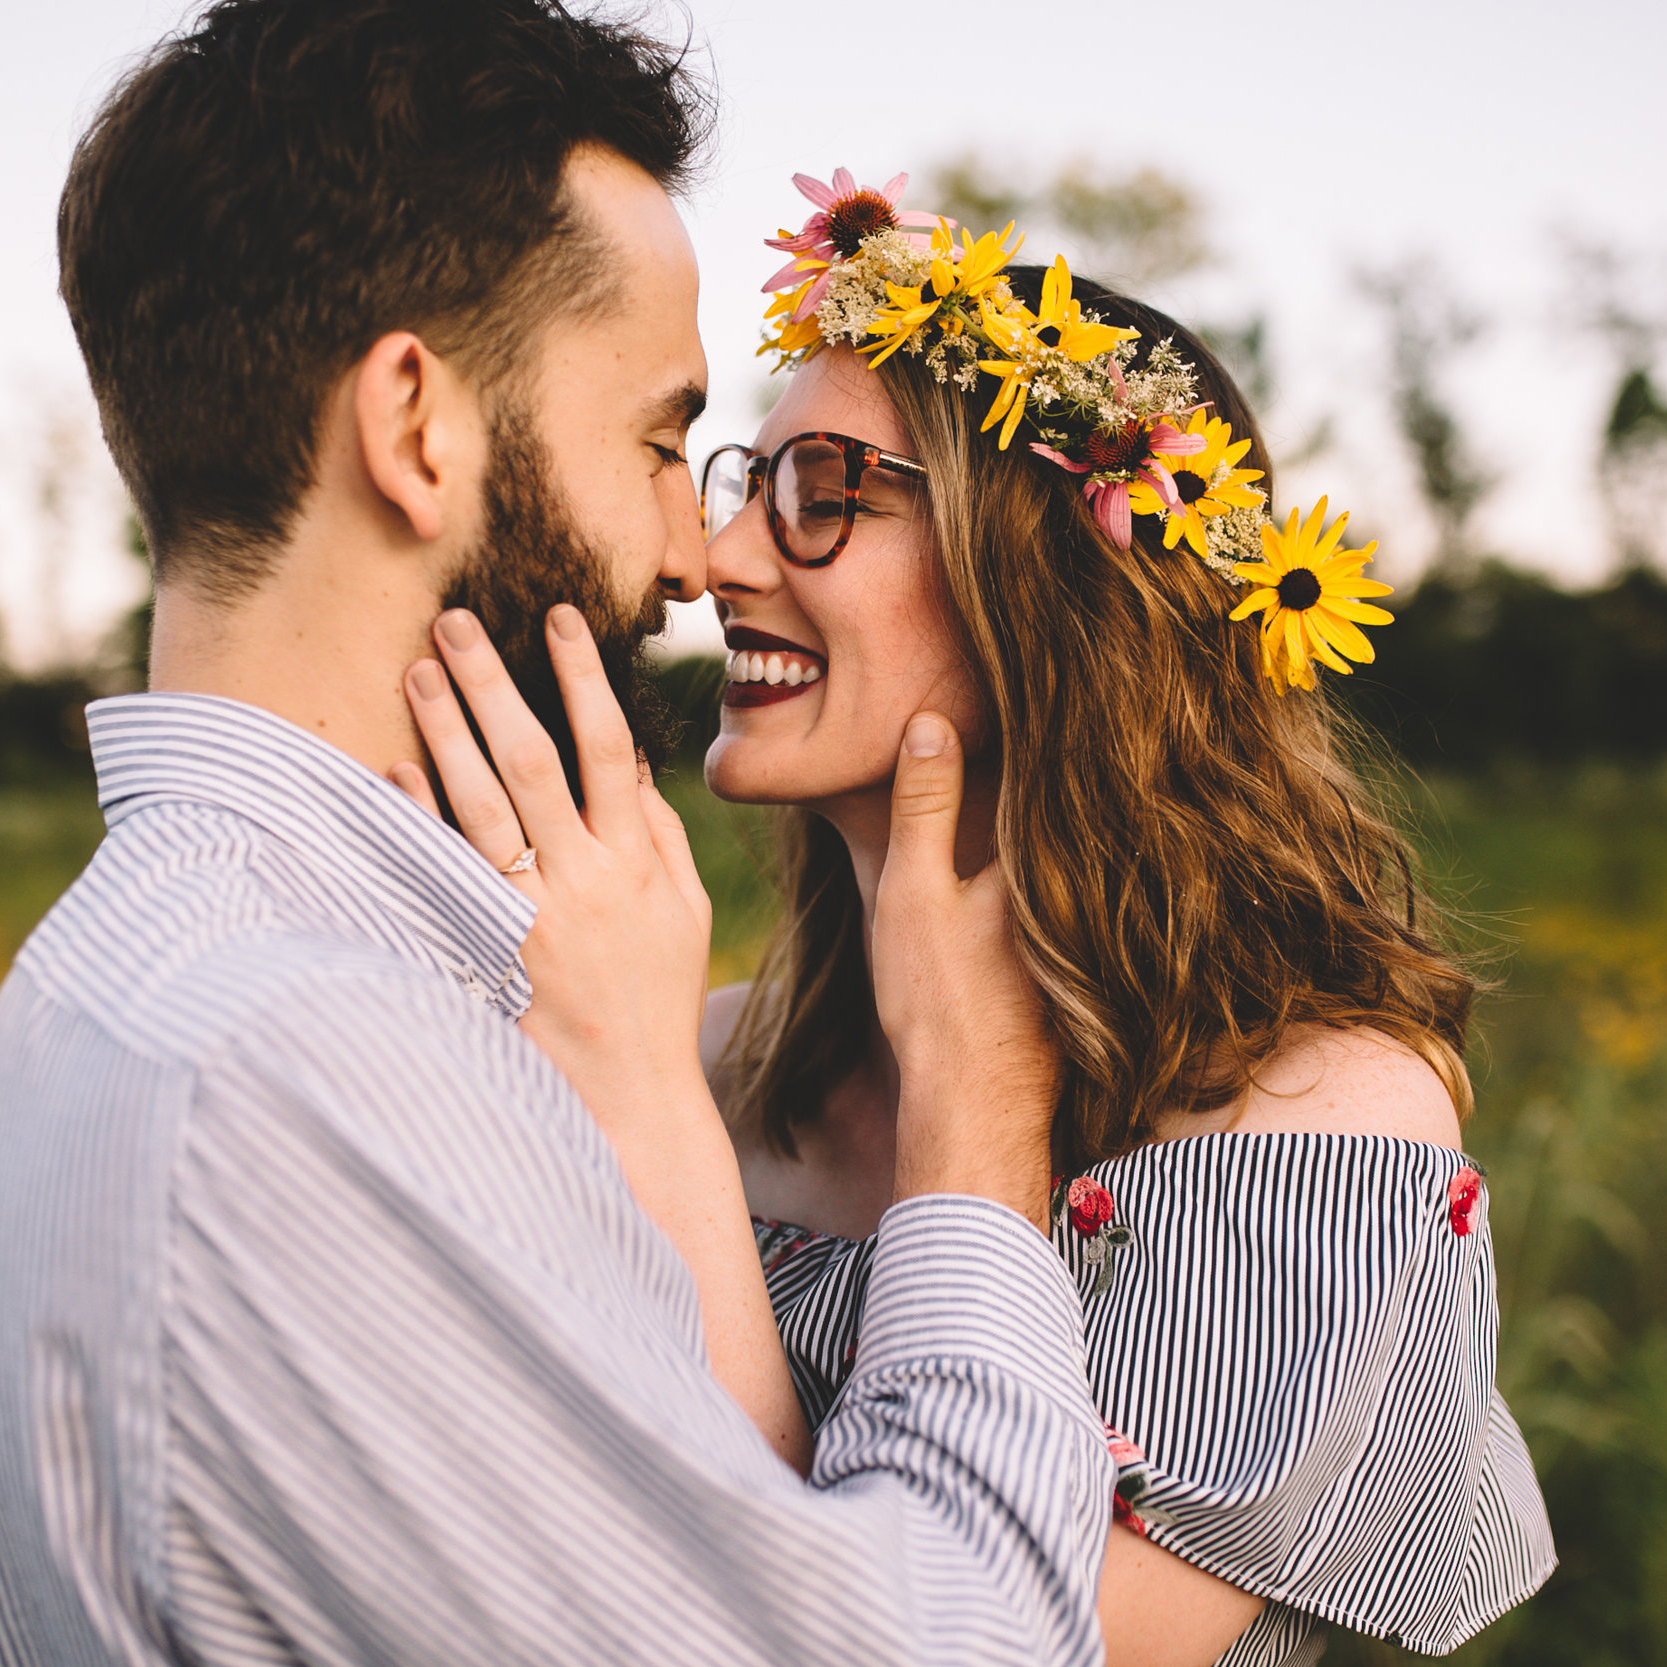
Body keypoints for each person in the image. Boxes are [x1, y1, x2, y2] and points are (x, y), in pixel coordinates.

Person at [0, 10, 1116, 1665]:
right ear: (417, 426)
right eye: (659, 440)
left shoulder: (123, 973)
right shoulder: (310, 1073)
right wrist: (984, 1120)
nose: (695, 556)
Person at [625, 175, 1560, 1665]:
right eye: (750, 483)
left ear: (1047, 582)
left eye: (819, 495)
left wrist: (964, 1110)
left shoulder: (1312, 1130)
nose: (724, 558)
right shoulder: (686, 1053)